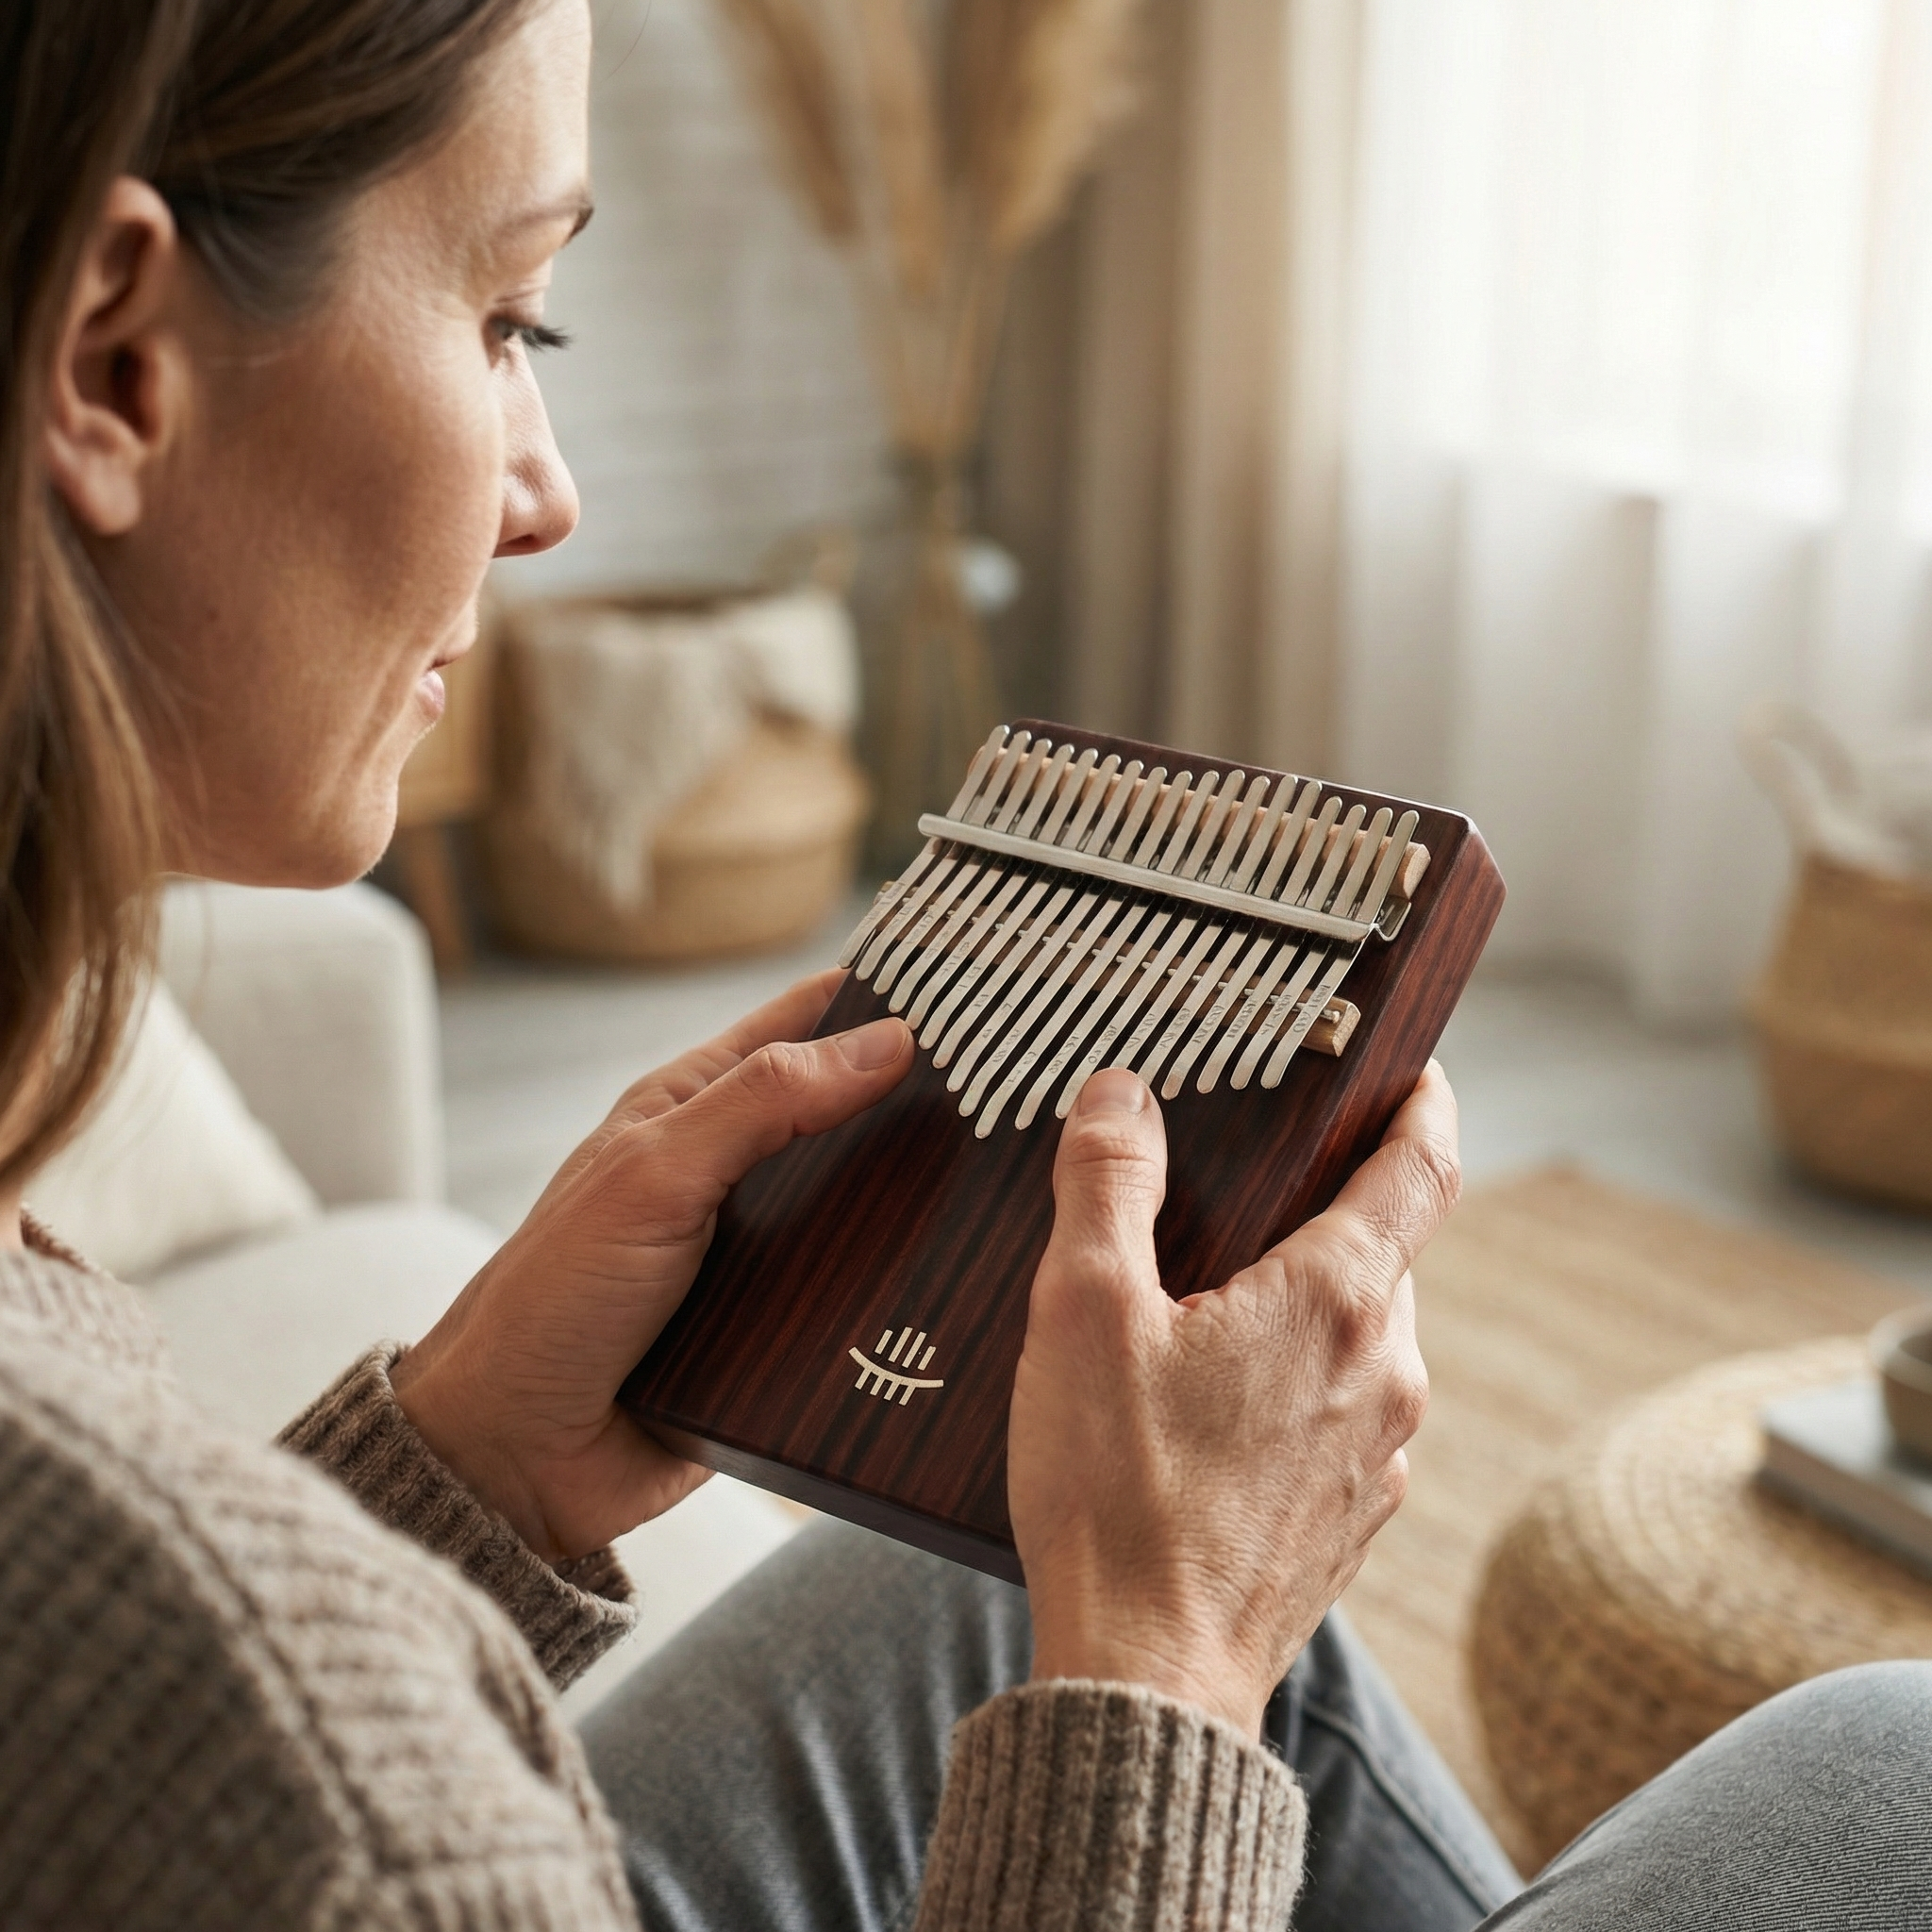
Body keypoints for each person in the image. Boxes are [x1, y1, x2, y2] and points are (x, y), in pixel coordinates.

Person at [2, 1, 1926, 1926]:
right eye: (511, 319)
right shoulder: (346, 1810)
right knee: (1886, 1775)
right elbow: (246, 1738)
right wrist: (1166, 1656)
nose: (548, 493)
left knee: (995, 1563)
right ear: (113, 364)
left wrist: (468, 1473)